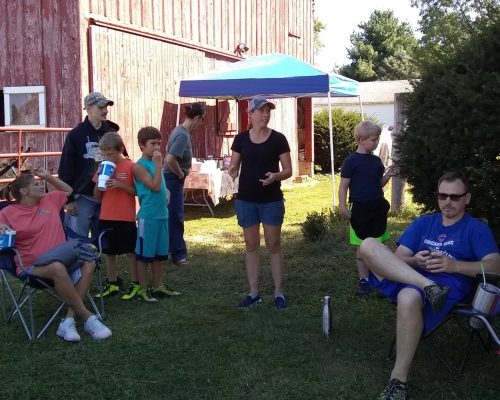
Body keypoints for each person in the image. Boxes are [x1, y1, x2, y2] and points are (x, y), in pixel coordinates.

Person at [359, 171, 500, 400]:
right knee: (366, 245)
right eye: (443, 196)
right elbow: (399, 257)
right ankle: (428, 286)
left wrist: (454, 266)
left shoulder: (475, 228)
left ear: (467, 198)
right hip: (413, 277)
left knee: (407, 297)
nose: (447, 202)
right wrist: (415, 260)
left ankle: (398, 382)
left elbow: (495, 266)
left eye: (455, 197)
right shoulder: (424, 222)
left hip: (449, 287)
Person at [0, 169, 112, 342]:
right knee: (56, 267)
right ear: (23, 191)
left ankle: (68, 320)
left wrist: (48, 177)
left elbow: (68, 191)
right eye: (35, 184)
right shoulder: (7, 213)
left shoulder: (50, 200)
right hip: (31, 267)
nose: (40, 185)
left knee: (88, 263)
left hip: (66, 260)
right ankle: (88, 317)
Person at [228, 97, 292, 309]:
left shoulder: (278, 139)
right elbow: (234, 164)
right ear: (251, 114)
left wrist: (275, 176)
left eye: (268, 111)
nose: (266, 114)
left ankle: (278, 292)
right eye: (261, 111)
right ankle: (253, 292)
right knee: (251, 245)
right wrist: (233, 171)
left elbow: (288, 170)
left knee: (273, 245)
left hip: (271, 200)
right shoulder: (240, 139)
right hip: (246, 199)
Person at [338, 121, 399, 296]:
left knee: (378, 244)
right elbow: (343, 186)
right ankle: (364, 279)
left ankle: (380, 277)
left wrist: (387, 175)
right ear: (362, 140)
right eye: (374, 139)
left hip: (377, 208)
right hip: (359, 209)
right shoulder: (351, 162)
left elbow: (378, 184)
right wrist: (343, 206)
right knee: (362, 245)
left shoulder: (376, 161)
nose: (377, 141)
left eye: (378, 138)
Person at [58, 92, 119, 240]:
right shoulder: (76, 134)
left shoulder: (111, 132)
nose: (105, 110)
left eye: (106, 106)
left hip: (107, 195)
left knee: (105, 239)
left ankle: (95, 263)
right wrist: (69, 200)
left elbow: (120, 160)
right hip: (82, 196)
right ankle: (78, 264)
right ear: (89, 109)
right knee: (76, 239)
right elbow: (66, 169)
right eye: (101, 107)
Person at [133, 126, 180, 303]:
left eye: (159, 144)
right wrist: (160, 165)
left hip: (162, 214)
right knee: (144, 255)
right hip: (148, 216)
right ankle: (143, 289)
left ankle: (158, 284)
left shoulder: (155, 163)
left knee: (159, 254)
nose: (156, 148)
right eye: (152, 144)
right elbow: (154, 186)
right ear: (142, 145)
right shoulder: (139, 166)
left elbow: (161, 188)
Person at [93, 132, 139, 300]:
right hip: (107, 216)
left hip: (126, 217)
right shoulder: (102, 167)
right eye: (104, 154)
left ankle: (136, 283)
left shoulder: (131, 167)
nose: (107, 156)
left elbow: (137, 192)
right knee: (109, 252)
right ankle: (112, 283)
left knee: (130, 251)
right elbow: (96, 196)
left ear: (120, 149)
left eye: (110, 153)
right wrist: (100, 182)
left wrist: (120, 185)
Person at [163, 102, 206, 266]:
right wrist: (181, 174)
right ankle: (179, 255)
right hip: (173, 179)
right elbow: (170, 159)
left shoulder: (178, 130)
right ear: (196, 117)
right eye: (201, 120)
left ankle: (167, 250)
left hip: (169, 178)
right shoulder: (182, 134)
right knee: (176, 216)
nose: (200, 124)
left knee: (170, 216)